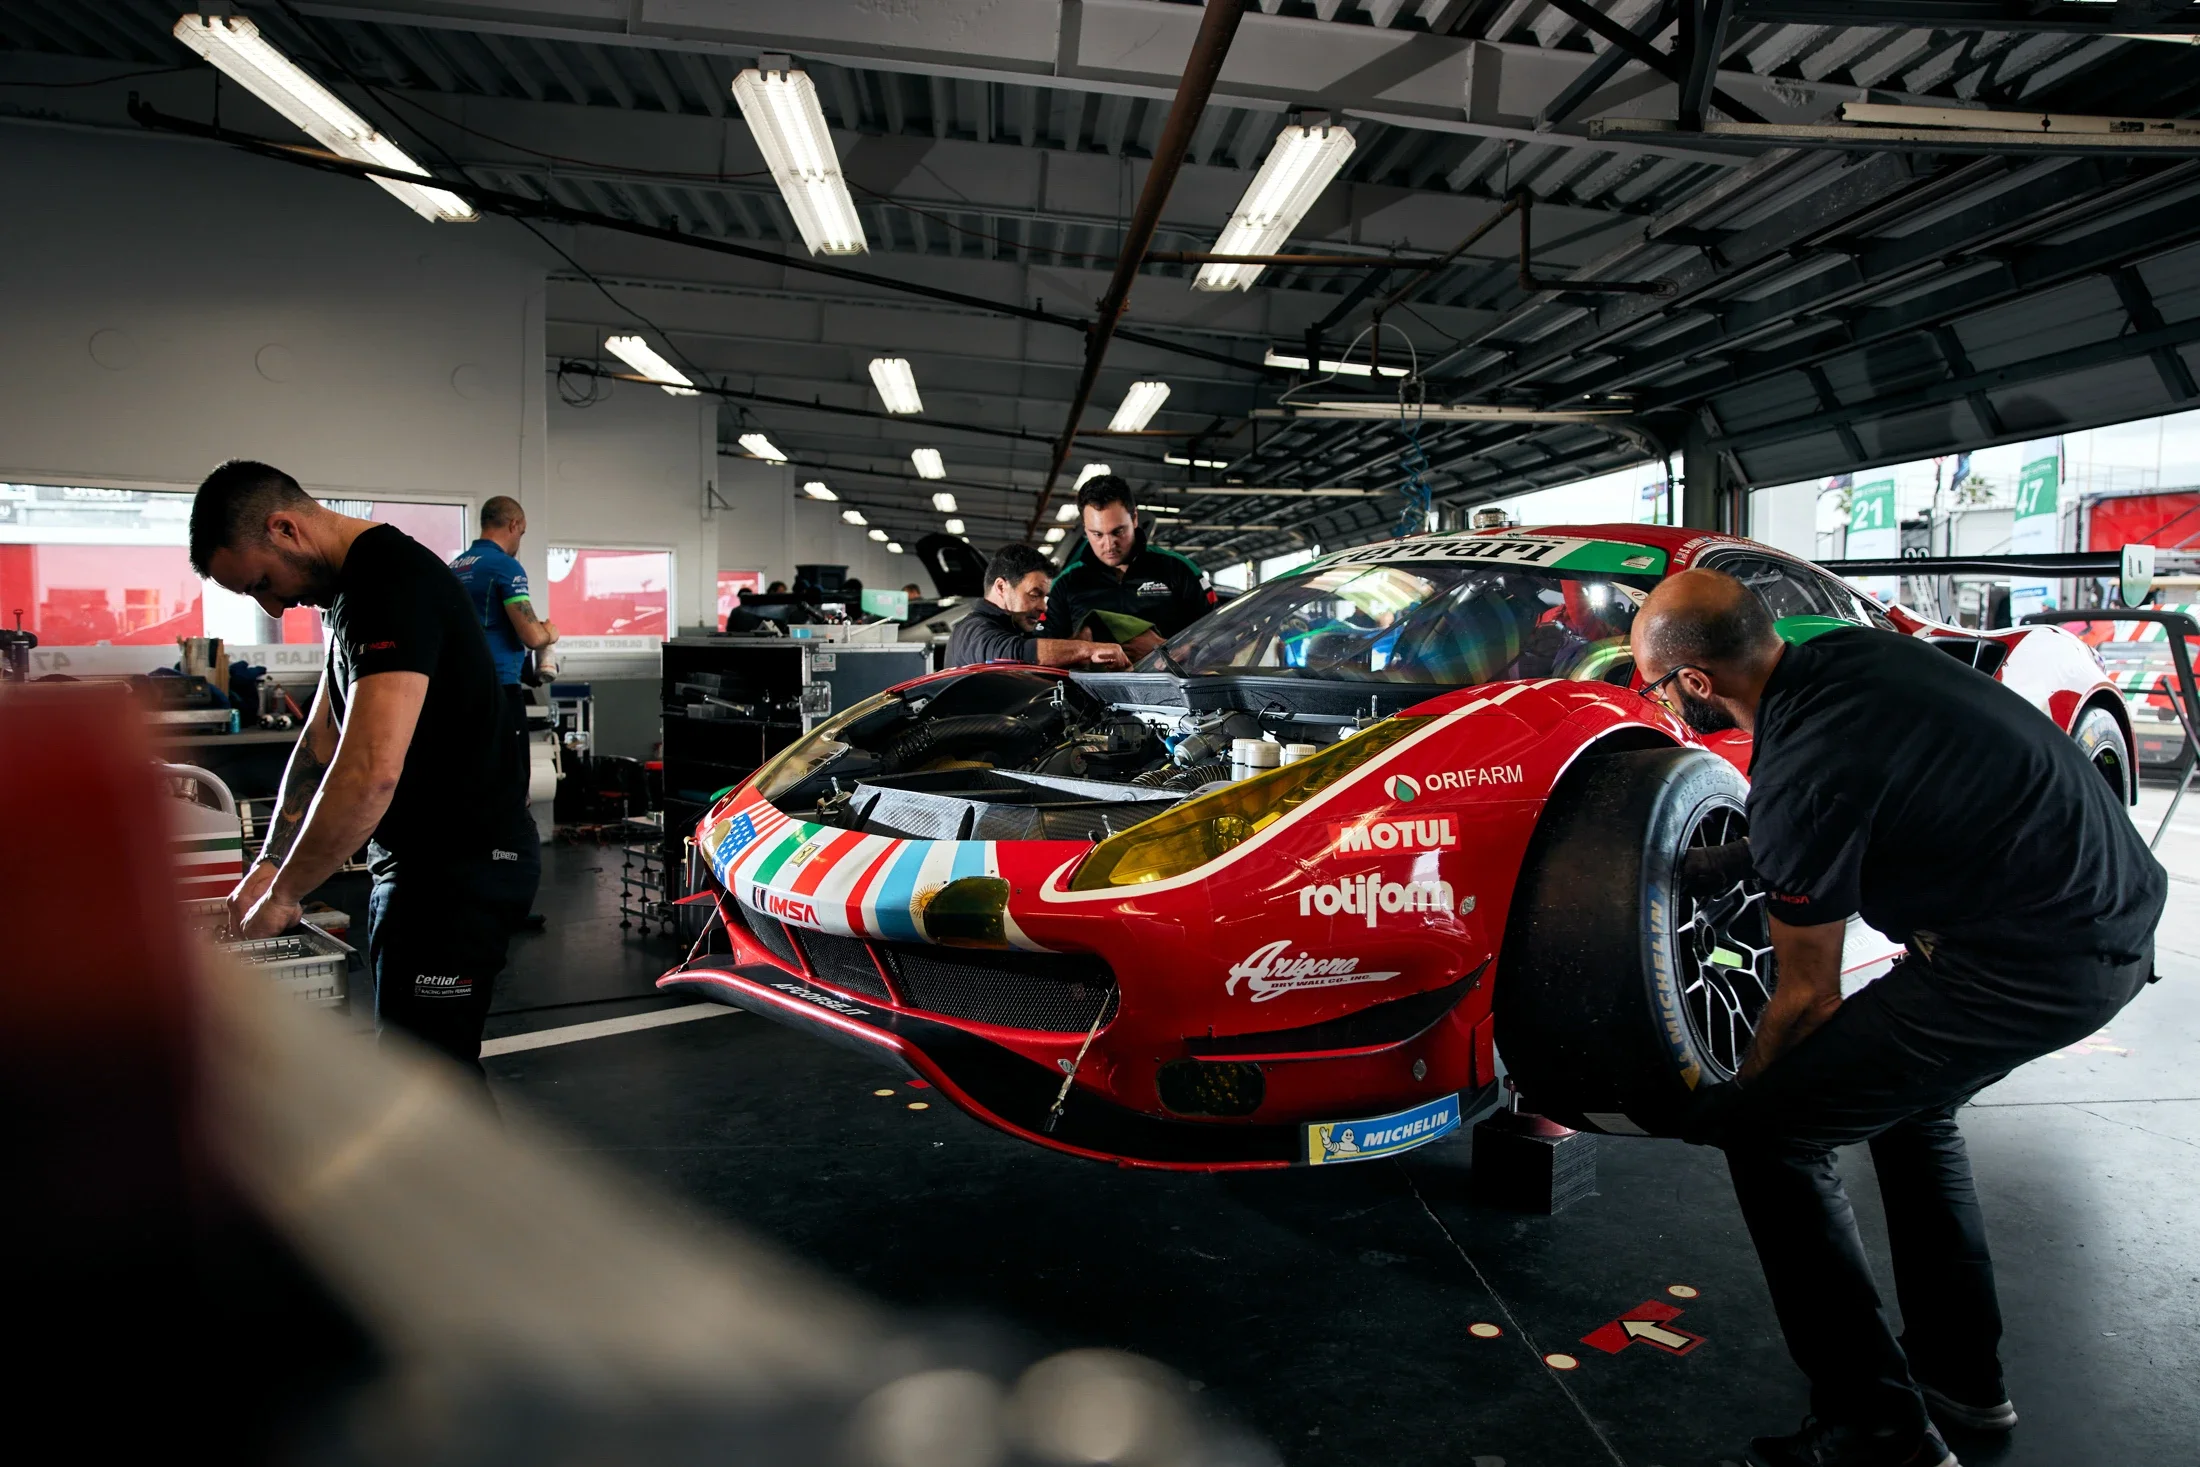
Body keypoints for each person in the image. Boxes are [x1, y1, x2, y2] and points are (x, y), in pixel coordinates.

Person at [1630, 569, 2166, 1467]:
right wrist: (1733, 860)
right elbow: (1866, 796)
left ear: (1693, 683)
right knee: (1913, 1108)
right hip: (2103, 923)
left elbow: (1809, 995)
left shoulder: (1803, 771)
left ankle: (1875, 1427)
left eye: (1648, 682)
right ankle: (1963, 1377)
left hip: (2023, 966)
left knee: (1769, 1140)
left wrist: (1736, 1097)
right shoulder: (1849, 659)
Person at [193, 461, 538, 1087]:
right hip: (417, 867)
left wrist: (288, 893)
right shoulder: (352, 595)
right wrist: (271, 862)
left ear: (285, 529)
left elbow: (371, 770)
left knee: (428, 1080)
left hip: (461, 869)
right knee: (412, 1068)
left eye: (263, 583)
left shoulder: (391, 584)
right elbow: (321, 740)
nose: (274, 603)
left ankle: (456, 1188)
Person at [1042, 475, 1215, 656]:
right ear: (1085, 528)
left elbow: (1218, 634)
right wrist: (1080, 648)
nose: (1109, 545)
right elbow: (1047, 651)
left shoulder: (1180, 569)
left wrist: (1165, 650)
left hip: (1167, 683)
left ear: (1134, 518)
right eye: (1097, 534)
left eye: (1118, 531)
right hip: (1088, 685)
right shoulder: (1066, 583)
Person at [449, 494, 557, 761]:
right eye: (522, 533)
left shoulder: (454, 567)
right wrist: (550, 633)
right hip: (499, 690)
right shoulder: (506, 567)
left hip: (458, 689)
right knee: (512, 783)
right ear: (514, 525)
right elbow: (532, 636)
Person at [947, 544, 1130, 670]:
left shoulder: (1010, 628)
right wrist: (1088, 649)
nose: (1043, 607)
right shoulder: (973, 630)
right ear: (1002, 587)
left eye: (1045, 597)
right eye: (1034, 595)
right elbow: (1015, 652)